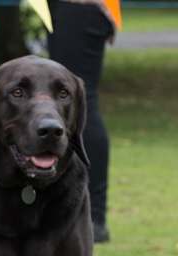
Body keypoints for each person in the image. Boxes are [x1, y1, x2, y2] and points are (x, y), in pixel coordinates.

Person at [47, 0, 116, 243]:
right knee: (65, 106)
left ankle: (94, 219)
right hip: (65, 7)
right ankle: (75, 211)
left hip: (79, 7)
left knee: (82, 104)